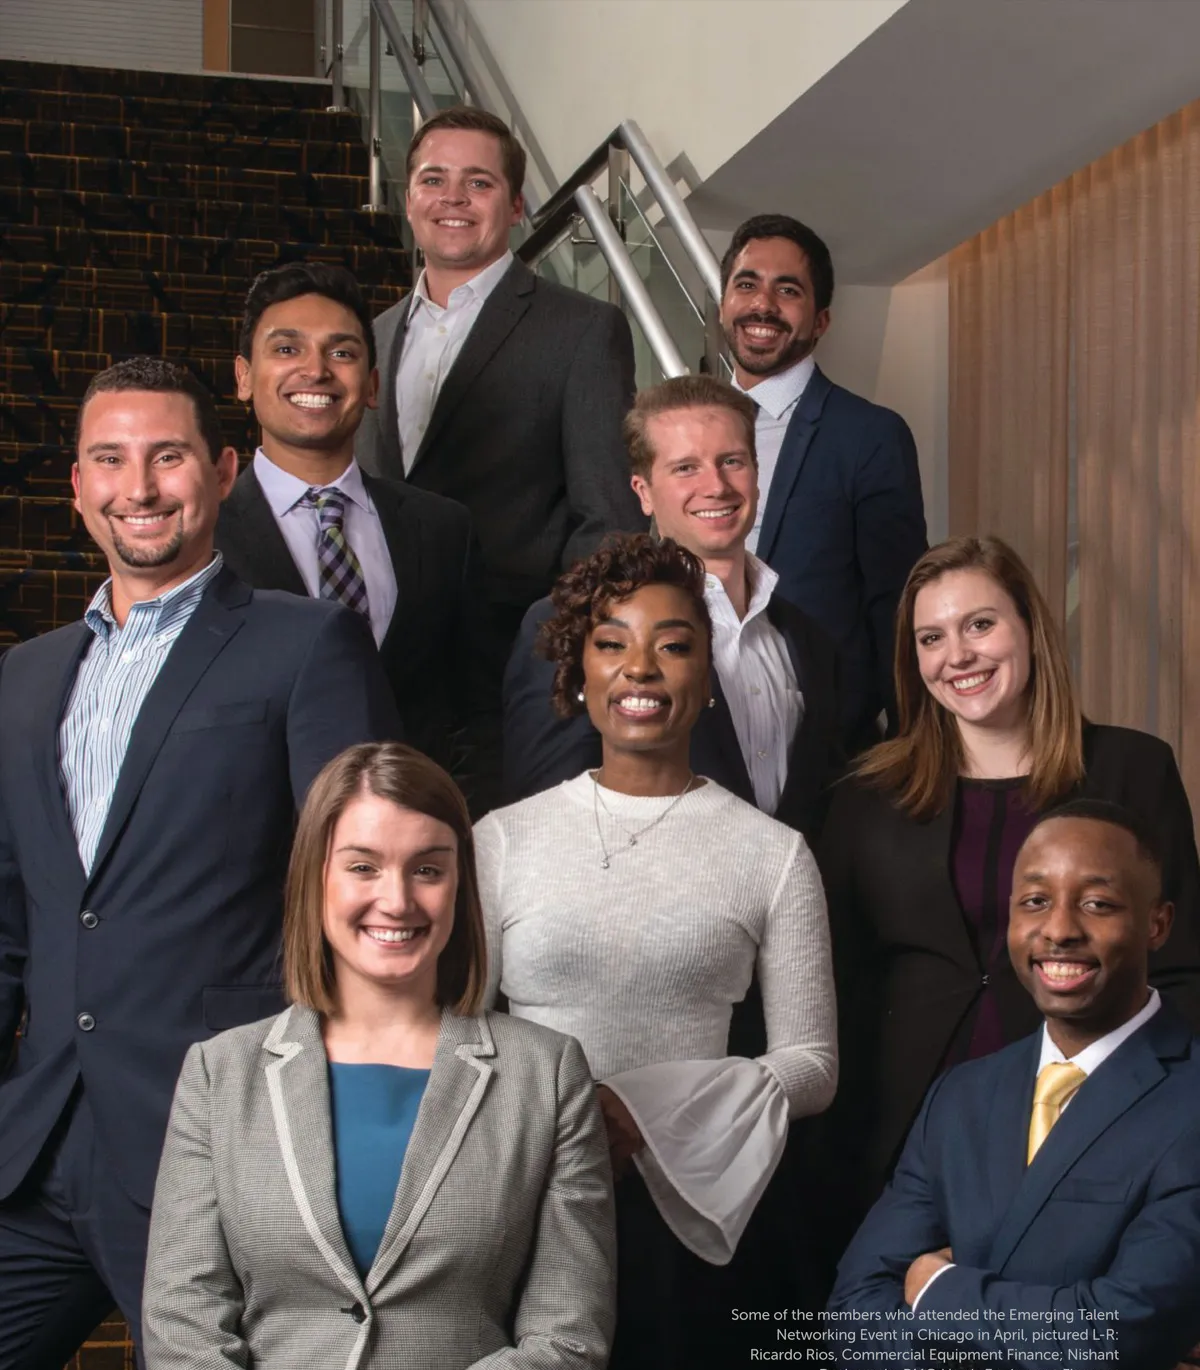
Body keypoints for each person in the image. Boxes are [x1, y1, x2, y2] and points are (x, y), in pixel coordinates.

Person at [0, 357, 401, 1370]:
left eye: (167, 456)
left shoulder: (305, 643)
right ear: (77, 487)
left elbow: (363, 894)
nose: (140, 486)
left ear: (221, 473)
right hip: (42, 1145)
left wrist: (351, 1113)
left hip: (218, 1139)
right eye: (110, 460)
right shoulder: (24, 676)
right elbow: (16, 918)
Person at [143, 742, 615, 1370]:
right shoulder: (221, 1072)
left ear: (460, 884)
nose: (395, 899)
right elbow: (181, 1336)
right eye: (362, 866)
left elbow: (567, 1346)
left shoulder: (547, 1074)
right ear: (315, 880)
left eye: (427, 869)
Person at [474, 533, 837, 1370]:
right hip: (527, 1212)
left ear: (708, 677)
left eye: (673, 645)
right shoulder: (500, 839)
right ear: (577, 670)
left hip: (691, 1226)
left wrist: (645, 1110)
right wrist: (558, 1118)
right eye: (612, 642)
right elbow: (460, 1035)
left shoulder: (772, 854)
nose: (641, 668)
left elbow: (811, 1065)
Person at [815, 535, 1200, 1272]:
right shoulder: (866, 795)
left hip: (1093, 1129)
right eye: (931, 638)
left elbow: (1183, 970)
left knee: (1060, 1333)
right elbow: (833, 981)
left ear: (1030, 627)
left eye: (980, 624)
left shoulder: (1133, 769)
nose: (957, 655)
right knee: (898, 1331)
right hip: (898, 1139)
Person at [824, 802, 1200, 1370]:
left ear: (1156, 924)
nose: (1059, 929)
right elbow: (854, 1316)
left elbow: (1107, 1344)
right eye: (1034, 901)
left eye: (1097, 904)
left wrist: (936, 1289)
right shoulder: (963, 1094)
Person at [355, 105, 645, 678]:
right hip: (379, 662)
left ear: (515, 207)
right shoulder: (370, 339)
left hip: (512, 666)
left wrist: (556, 652)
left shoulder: (583, 330)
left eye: (478, 183)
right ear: (409, 199)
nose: (452, 197)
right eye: (433, 179)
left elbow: (609, 519)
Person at [503, 374, 843, 842]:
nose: (716, 486)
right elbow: (545, 824)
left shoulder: (808, 639)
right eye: (686, 468)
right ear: (643, 491)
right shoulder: (572, 626)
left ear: (756, 473)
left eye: (732, 461)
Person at [216, 261, 496, 805]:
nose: (316, 370)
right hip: (258, 843)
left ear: (371, 385)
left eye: (341, 353)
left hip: (416, 837)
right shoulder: (204, 536)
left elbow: (481, 714)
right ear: (244, 377)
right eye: (287, 349)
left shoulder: (443, 530)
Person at [718, 213, 927, 751]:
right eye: (747, 284)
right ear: (723, 304)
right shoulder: (679, 429)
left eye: (788, 290)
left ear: (820, 321)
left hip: (823, 744)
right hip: (701, 734)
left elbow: (897, 605)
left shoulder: (869, 435)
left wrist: (909, 746)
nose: (763, 304)